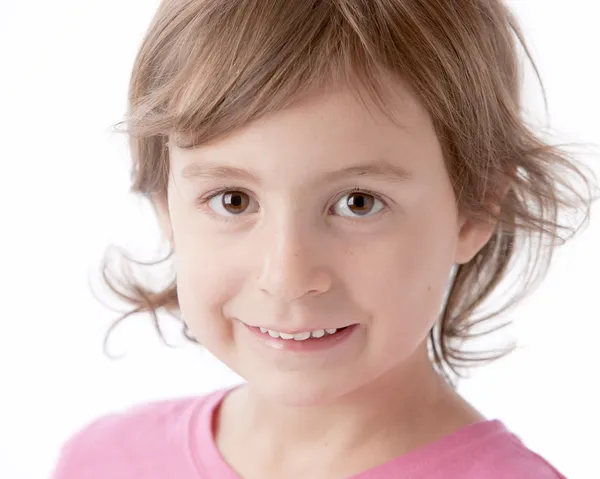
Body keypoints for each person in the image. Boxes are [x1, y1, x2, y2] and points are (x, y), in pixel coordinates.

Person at [52, 0, 596, 477]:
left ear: (474, 211)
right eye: (233, 200)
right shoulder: (102, 462)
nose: (287, 276)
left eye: (358, 202)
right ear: (164, 206)